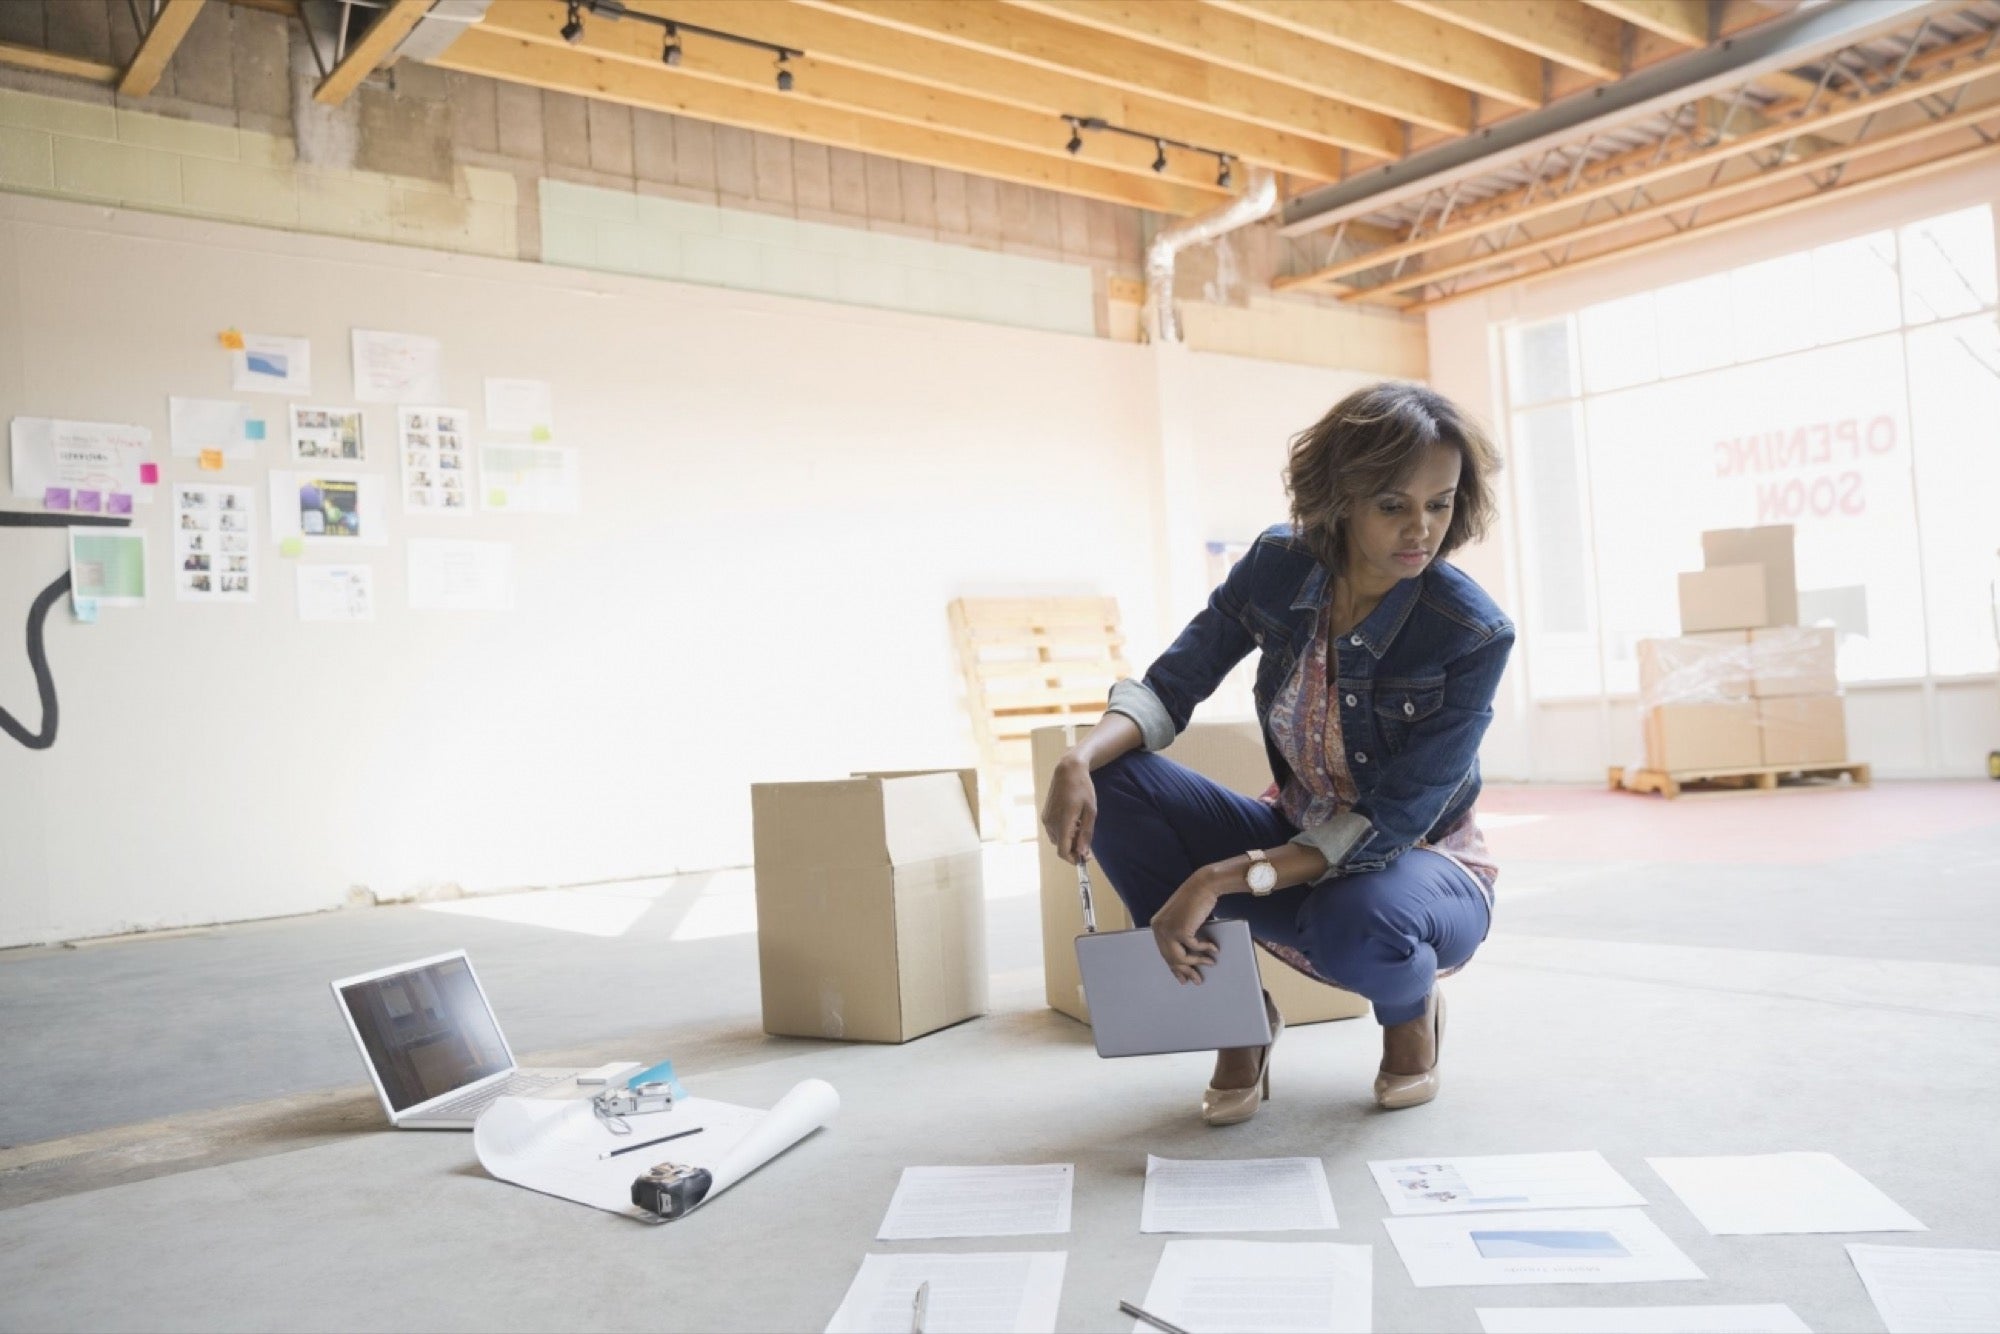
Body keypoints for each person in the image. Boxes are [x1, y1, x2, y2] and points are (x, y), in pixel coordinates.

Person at [1041, 382, 1512, 1122]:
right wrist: (1077, 758)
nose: (1421, 528)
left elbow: (1389, 822)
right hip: (1293, 841)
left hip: (1418, 868)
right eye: (1392, 504)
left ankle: (1410, 1011)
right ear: (1341, 497)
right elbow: (1174, 684)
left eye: (1441, 502)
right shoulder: (1278, 565)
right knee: (1118, 777)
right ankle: (1237, 1021)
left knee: (1355, 922)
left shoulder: (1471, 633)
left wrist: (1217, 878)